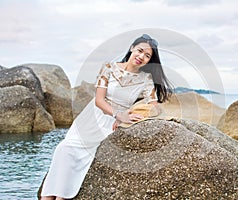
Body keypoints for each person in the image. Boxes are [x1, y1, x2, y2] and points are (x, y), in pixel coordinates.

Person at [40, 34, 173, 199]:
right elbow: (99, 100)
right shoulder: (109, 68)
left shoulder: (145, 80)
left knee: (84, 161)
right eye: (140, 51)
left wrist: (129, 114)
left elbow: (155, 106)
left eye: (147, 56)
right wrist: (118, 114)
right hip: (92, 119)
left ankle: (61, 197)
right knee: (64, 149)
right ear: (132, 48)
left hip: (111, 125)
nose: (141, 57)